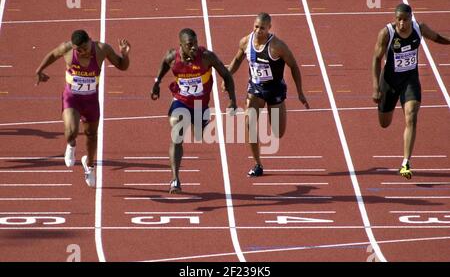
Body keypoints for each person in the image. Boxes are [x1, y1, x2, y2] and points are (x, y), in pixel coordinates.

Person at [35, 29, 130, 187]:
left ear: (90, 41)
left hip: (91, 101)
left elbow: (122, 66)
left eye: (85, 48)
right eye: (78, 50)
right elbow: (52, 55)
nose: (82, 52)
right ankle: (71, 144)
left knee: (91, 135)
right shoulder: (67, 49)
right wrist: (39, 70)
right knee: (71, 131)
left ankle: (89, 165)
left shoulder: (101, 49)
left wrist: (125, 55)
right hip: (71, 98)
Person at [151, 28, 236, 194]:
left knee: (200, 133)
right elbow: (163, 65)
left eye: (196, 43)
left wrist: (232, 100)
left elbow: (226, 75)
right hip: (181, 101)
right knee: (177, 131)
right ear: (181, 45)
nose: (194, 47)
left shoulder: (206, 57)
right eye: (190, 45)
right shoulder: (172, 57)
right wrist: (157, 82)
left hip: (200, 106)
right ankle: (175, 179)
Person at [224, 12, 310, 177]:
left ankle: (278, 109)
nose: (258, 30)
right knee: (249, 122)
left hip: (275, 90)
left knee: (278, 132)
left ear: (269, 28)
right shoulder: (245, 42)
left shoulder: (277, 46)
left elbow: (294, 66)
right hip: (255, 89)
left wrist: (300, 92)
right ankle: (257, 164)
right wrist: (227, 78)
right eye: (256, 27)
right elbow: (236, 60)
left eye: (262, 28)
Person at [372, 4, 450, 180]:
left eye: (405, 20)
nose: (401, 23)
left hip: (410, 80)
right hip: (390, 82)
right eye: (398, 19)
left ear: (410, 18)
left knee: (412, 115)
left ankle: (405, 162)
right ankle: (386, 107)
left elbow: (437, 38)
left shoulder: (419, 29)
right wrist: (376, 87)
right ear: (395, 18)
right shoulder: (387, 33)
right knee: (384, 123)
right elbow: (376, 59)